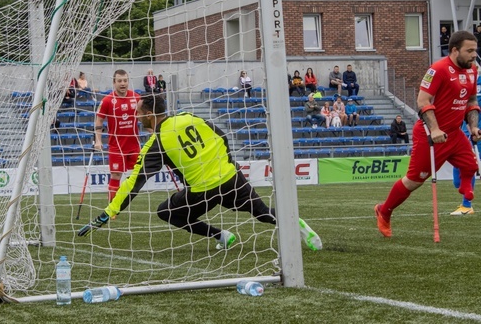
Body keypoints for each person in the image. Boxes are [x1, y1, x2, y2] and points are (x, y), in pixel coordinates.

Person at [78, 94, 322, 252]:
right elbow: (221, 136)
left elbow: (133, 182)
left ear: (150, 115)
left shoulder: (157, 141)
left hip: (202, 192)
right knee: (262, 213)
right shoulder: (189, 117)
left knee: (166, 212)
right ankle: (297, 225)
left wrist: (107, 213)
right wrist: (227, 164)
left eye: (140, 112)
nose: (137, 116)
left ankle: (221, 235)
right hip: (230, 179)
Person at [375, 30, 480, 238]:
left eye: (475, 51)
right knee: (414, 181)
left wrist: (473, 126)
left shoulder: (473, 70)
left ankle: (466, 192)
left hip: (454, 133)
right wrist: (435, 129)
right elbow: (423, 101)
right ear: (454, 50)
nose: (474, 55)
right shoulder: (438, 69)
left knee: (471, 165)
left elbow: (471, 101)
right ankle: (384, 210)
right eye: (469, 51)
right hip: (430, 134)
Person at [94, 69, 141, 201]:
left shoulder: (136, 98)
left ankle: (126, 195)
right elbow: (99, 120)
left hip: (134, 145)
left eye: (125, 80)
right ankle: (112, 207)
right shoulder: (108, 100)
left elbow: (146, 117)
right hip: (116, 146)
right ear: (114, 83)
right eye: (119, 81)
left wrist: (154, 132)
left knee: (140, 173)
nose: (123, 83)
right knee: (116, 176)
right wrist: (98, 140)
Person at [450, 123, 478, 216]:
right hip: (463, 135)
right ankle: (466, 203)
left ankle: (467, 205)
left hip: (475, 136)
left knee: (467, 167)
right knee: (457, 183)